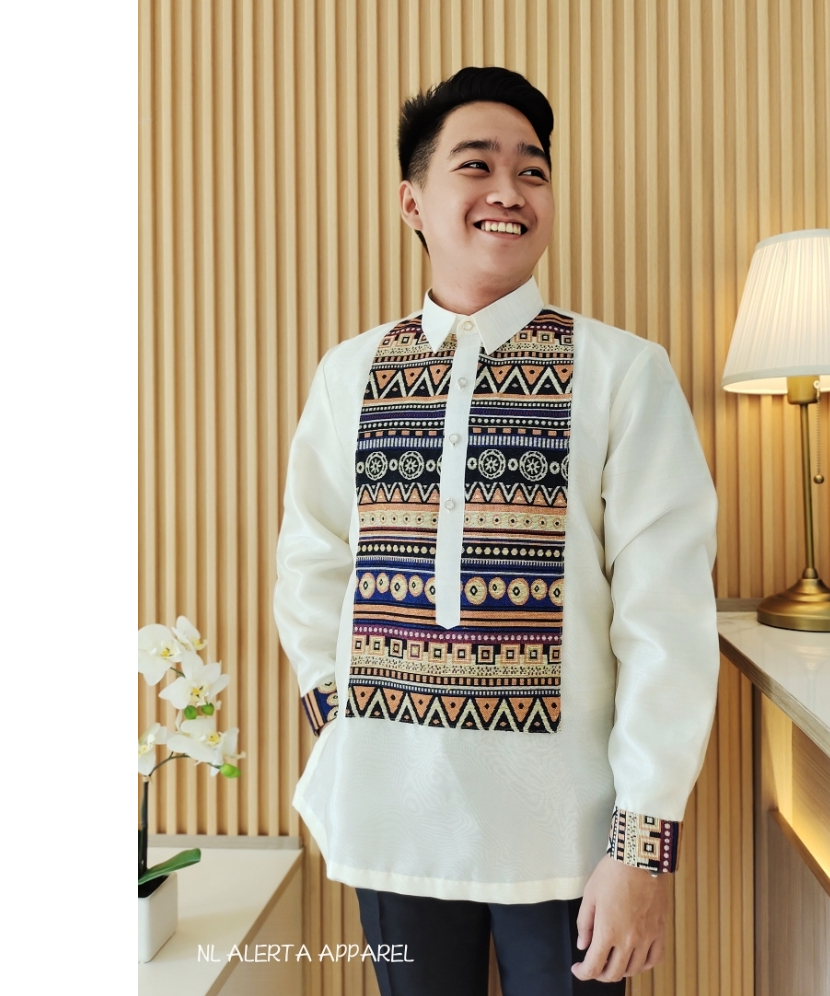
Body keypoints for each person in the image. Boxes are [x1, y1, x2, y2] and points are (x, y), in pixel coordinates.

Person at [273, 66, 719, 996]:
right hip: (392, 825)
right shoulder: (350, 374)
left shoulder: (622, 373)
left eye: (533, 170)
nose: (509, 191)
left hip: (569, 842)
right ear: (413, 201)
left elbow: (667, 621)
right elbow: (312, 563)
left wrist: (642, 845)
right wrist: (344, 722)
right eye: (476, 165)